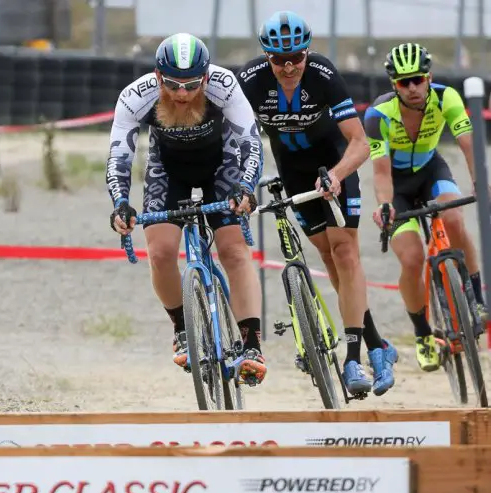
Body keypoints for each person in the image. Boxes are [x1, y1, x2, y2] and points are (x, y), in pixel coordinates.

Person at [237, 11, 398, 397]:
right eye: (279, 59)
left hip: (333, 163)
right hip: (292, 170)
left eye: (296, 57)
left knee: (345, 252)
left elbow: (360, 143)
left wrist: (339, 175)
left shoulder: (323, 74)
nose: (289, 67)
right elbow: (236, 136)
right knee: (327, 255)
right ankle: (379, 344)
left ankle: (354, 356)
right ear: (266, 56)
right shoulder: (251, 79)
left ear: (307, 52)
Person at [105, 33, 268, 383]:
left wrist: (246, 187)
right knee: (161, 253)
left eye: (192, 84)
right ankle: (182, 327)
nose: (182, 94)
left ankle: (251, 342)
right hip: (168, 169)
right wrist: (120, 202)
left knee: (233, 250)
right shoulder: (136, 96)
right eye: (174, 85)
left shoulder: (225, 85)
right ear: (158, 77)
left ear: (206, 77)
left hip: (221, 166)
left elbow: (251, 143)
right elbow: (120, 155)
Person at [365, 42, 488, 372]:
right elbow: (379, 171)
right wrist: (386, 205)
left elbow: (469, 145)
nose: (413, 88)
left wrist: (480, 184)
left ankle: (476, 299)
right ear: (394, 84)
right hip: (397, 185)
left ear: (428, 77)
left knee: (454, 219)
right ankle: (422, 334)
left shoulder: (446, 97)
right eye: (404, 82)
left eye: (418, 79)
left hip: (432, 170)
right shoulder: (379, 114)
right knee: (412, 257)